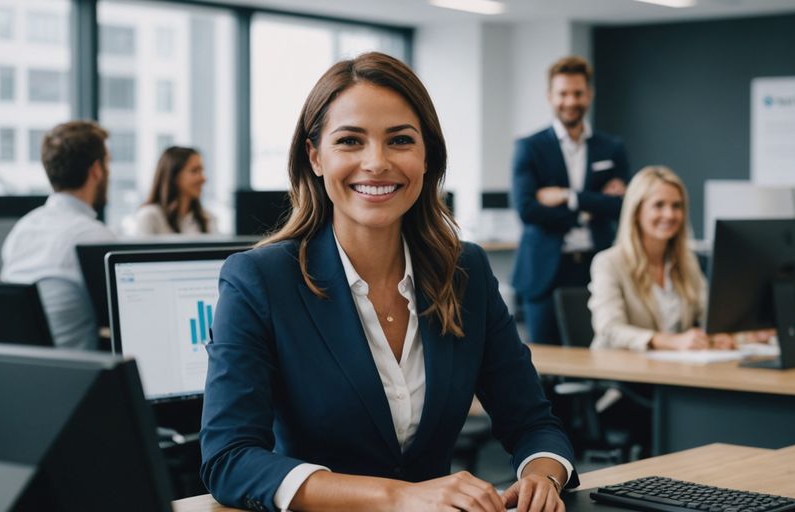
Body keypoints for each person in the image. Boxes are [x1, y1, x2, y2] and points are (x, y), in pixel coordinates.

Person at [200, 52, 576, 512]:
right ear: (315, 156)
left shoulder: (466, 273)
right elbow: (230, 459)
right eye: (350, 141)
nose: (376, 163)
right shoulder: (259, 280)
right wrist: (398, 496)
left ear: (426, 157)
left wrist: (541, 474)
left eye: (399, 140)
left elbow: (533, 423)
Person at [512, 55, 630, 346]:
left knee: (596, 357)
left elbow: (624, 207)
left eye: (577, 93)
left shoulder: (612, 148)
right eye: (563, 93)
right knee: (545, 366)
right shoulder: (530, 147)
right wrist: (591, 207)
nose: (570, 101)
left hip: (596, 267)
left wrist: (569, 197)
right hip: (544, 272)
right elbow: (527, 209)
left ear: (588, 94)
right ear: (550, 96)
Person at [588, 166, 737, 351]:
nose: (669, 214)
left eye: (676, 206)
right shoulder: (609, 262)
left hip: (673, 371)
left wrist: (717, 336)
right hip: (619, 373)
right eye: (659, 205)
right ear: (636, 211)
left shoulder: (687, 261)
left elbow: (708, 316)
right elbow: (609, 329)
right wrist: (668, 341)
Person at [1, 120, 115, 351]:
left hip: (25, 373)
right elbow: (122, 320)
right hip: (81, 379)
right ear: (96, 170)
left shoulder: (22, 229)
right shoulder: (93, 236)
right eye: (107, 165)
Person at [132, 146, 217, 236]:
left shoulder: (207, 219)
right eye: (194, 171)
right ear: (173, 176)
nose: (203, 178)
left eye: (202, 171)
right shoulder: (149, 216)